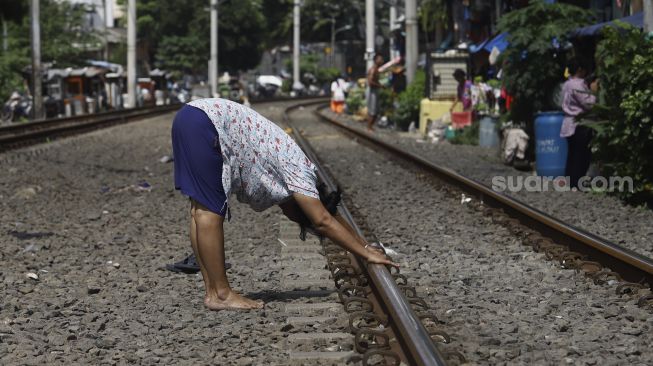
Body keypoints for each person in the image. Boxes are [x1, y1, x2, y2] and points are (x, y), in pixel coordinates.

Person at [170, 98, 398, 311]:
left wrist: (365, 246)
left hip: (190, 116)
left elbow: (326, 217)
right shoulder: (301, 172)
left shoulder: (290, 172)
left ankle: (213, 292)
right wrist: (367, 255)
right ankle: (222, 294)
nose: (287, 214)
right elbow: (323, 220)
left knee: (199, 211)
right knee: (209, 212)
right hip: (207, 123)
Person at [560, 59, 598, 189]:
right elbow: (588, 104)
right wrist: (593, 91)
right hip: (579, 123)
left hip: (569, 123)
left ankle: (571, 182)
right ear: (580, 69)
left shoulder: (567, 84)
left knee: (573, 154)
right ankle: (577, 183)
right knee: (581, 155)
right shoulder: (577, 85)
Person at [366, 54, 385, 131]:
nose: (382, 61)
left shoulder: (376, 69)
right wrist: (379, 86)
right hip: (372, 91)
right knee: (373, 110)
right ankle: (369, 127)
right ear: (376, 60)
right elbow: (370, 82)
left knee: (376, 109)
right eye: (380, 59)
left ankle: (370, 127)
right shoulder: (373, 69)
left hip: (374, 90)